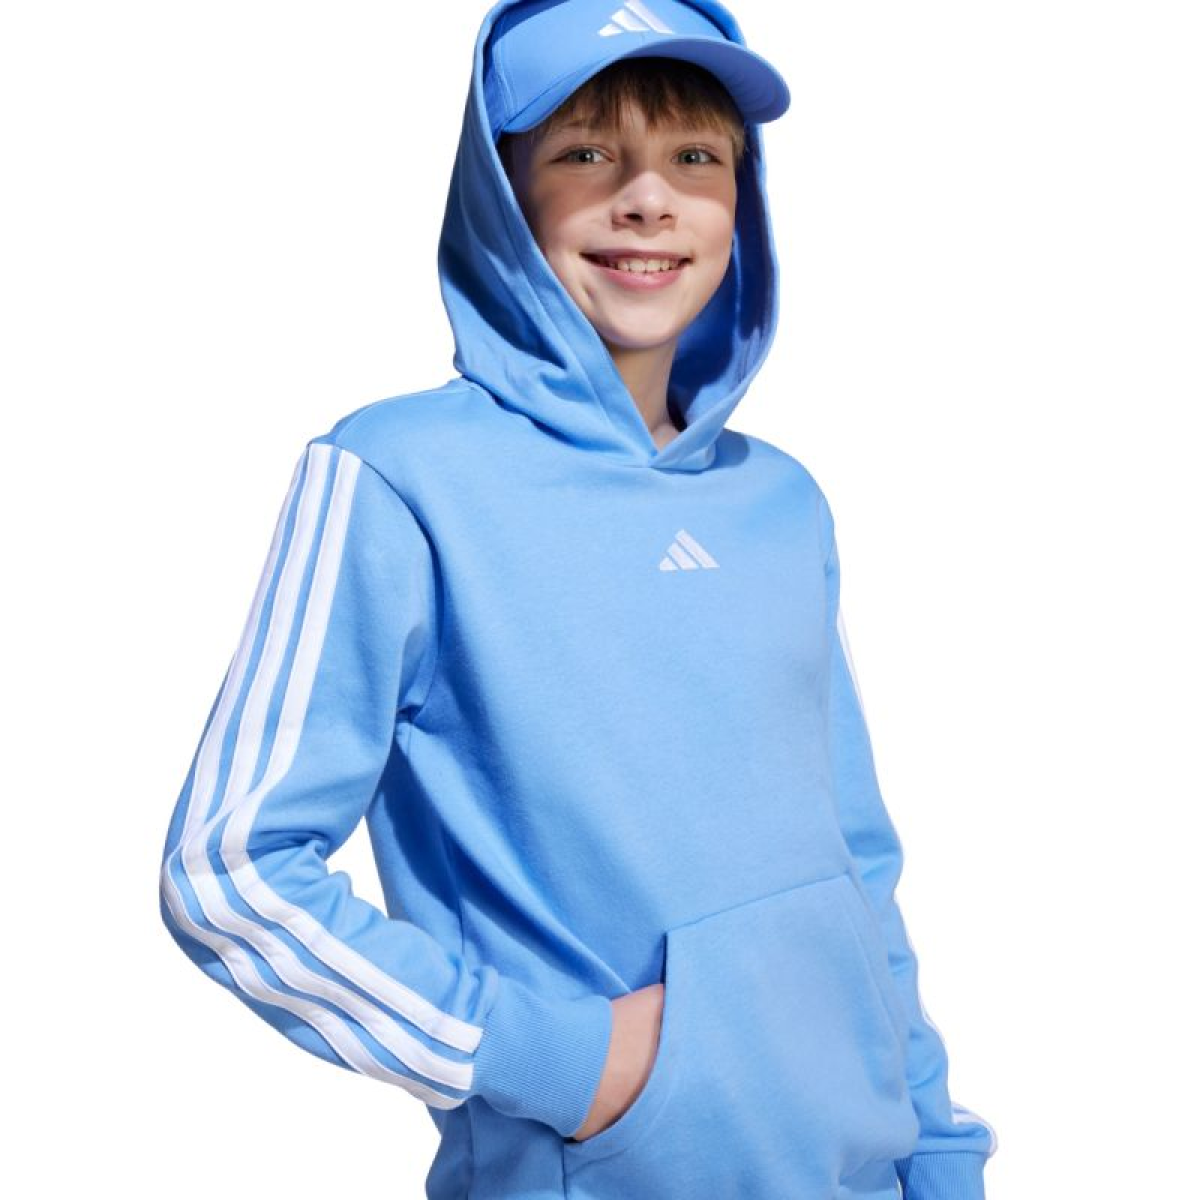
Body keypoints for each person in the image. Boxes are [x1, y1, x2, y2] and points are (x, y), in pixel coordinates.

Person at [158, 1, 999, 1197]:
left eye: (694, 157)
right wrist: (558, 1058)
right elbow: (228, 876)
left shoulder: (780, 503)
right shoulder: (397, 476)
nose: (647, 200)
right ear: (503, 197)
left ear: (742, 201)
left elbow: (856, 861)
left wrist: (937, 1148)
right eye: (587, 152)